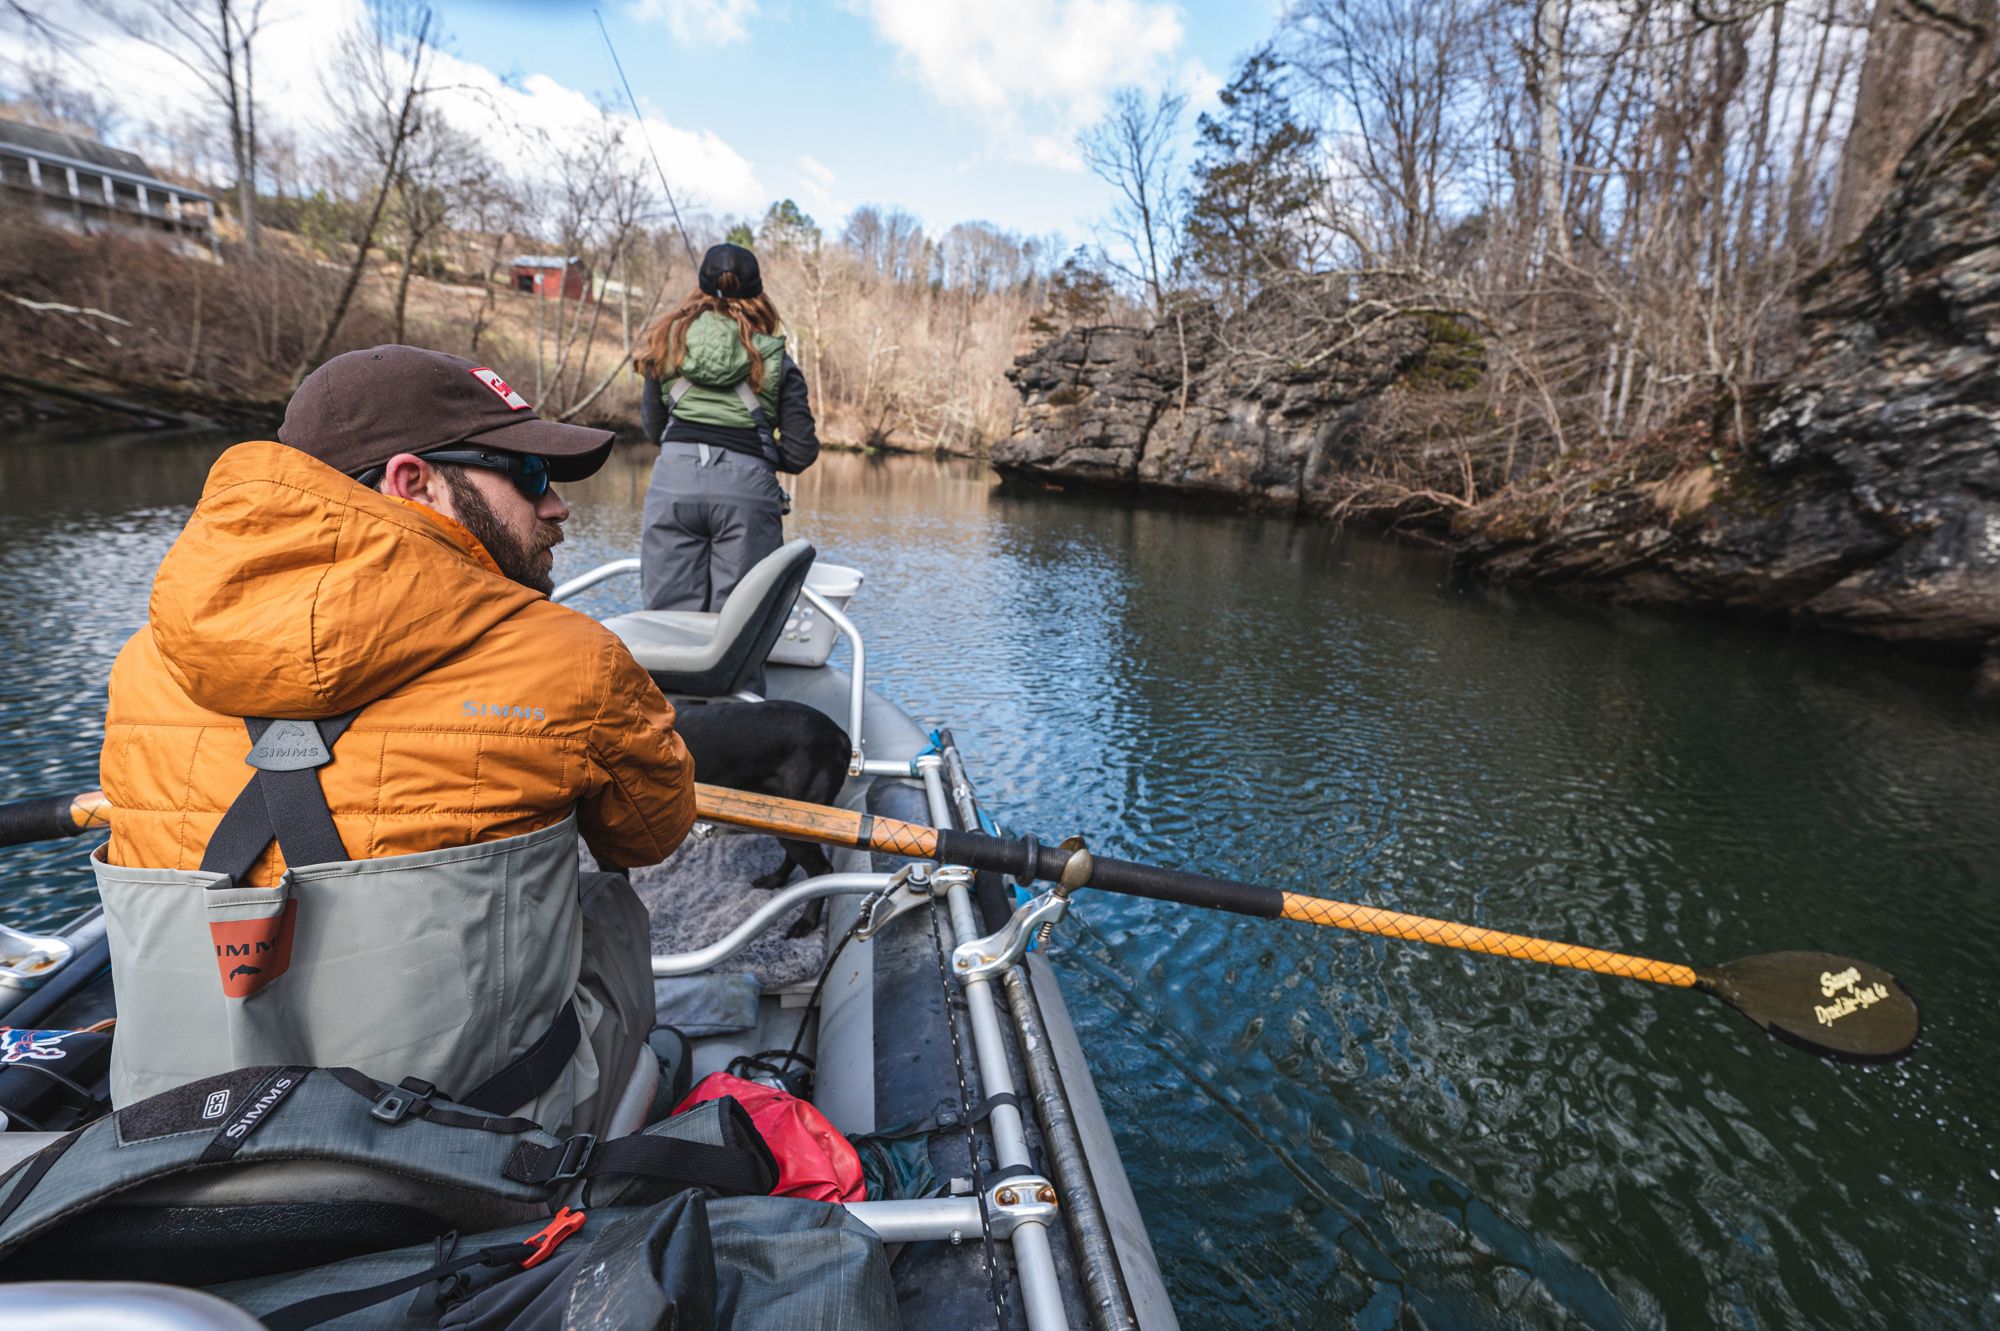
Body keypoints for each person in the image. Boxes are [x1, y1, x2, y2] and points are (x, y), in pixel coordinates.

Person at [91, 345, 695, 1139]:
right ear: (413, 482)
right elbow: (651, 833)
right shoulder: (570, 657)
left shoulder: (143, 661)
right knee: (604, 900)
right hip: (462, 1144)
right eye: (530, 475)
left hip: (169, 1132)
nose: (558, 509)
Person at [636, 242, 819, 613]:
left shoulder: (667, 345)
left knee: (666, 625)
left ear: (702, 288)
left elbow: (655, 429)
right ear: (757, 293)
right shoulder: (777, 359)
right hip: (748, 493)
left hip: (674, 484)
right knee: (740, 626)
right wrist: (756, 454)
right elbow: (801, 452)